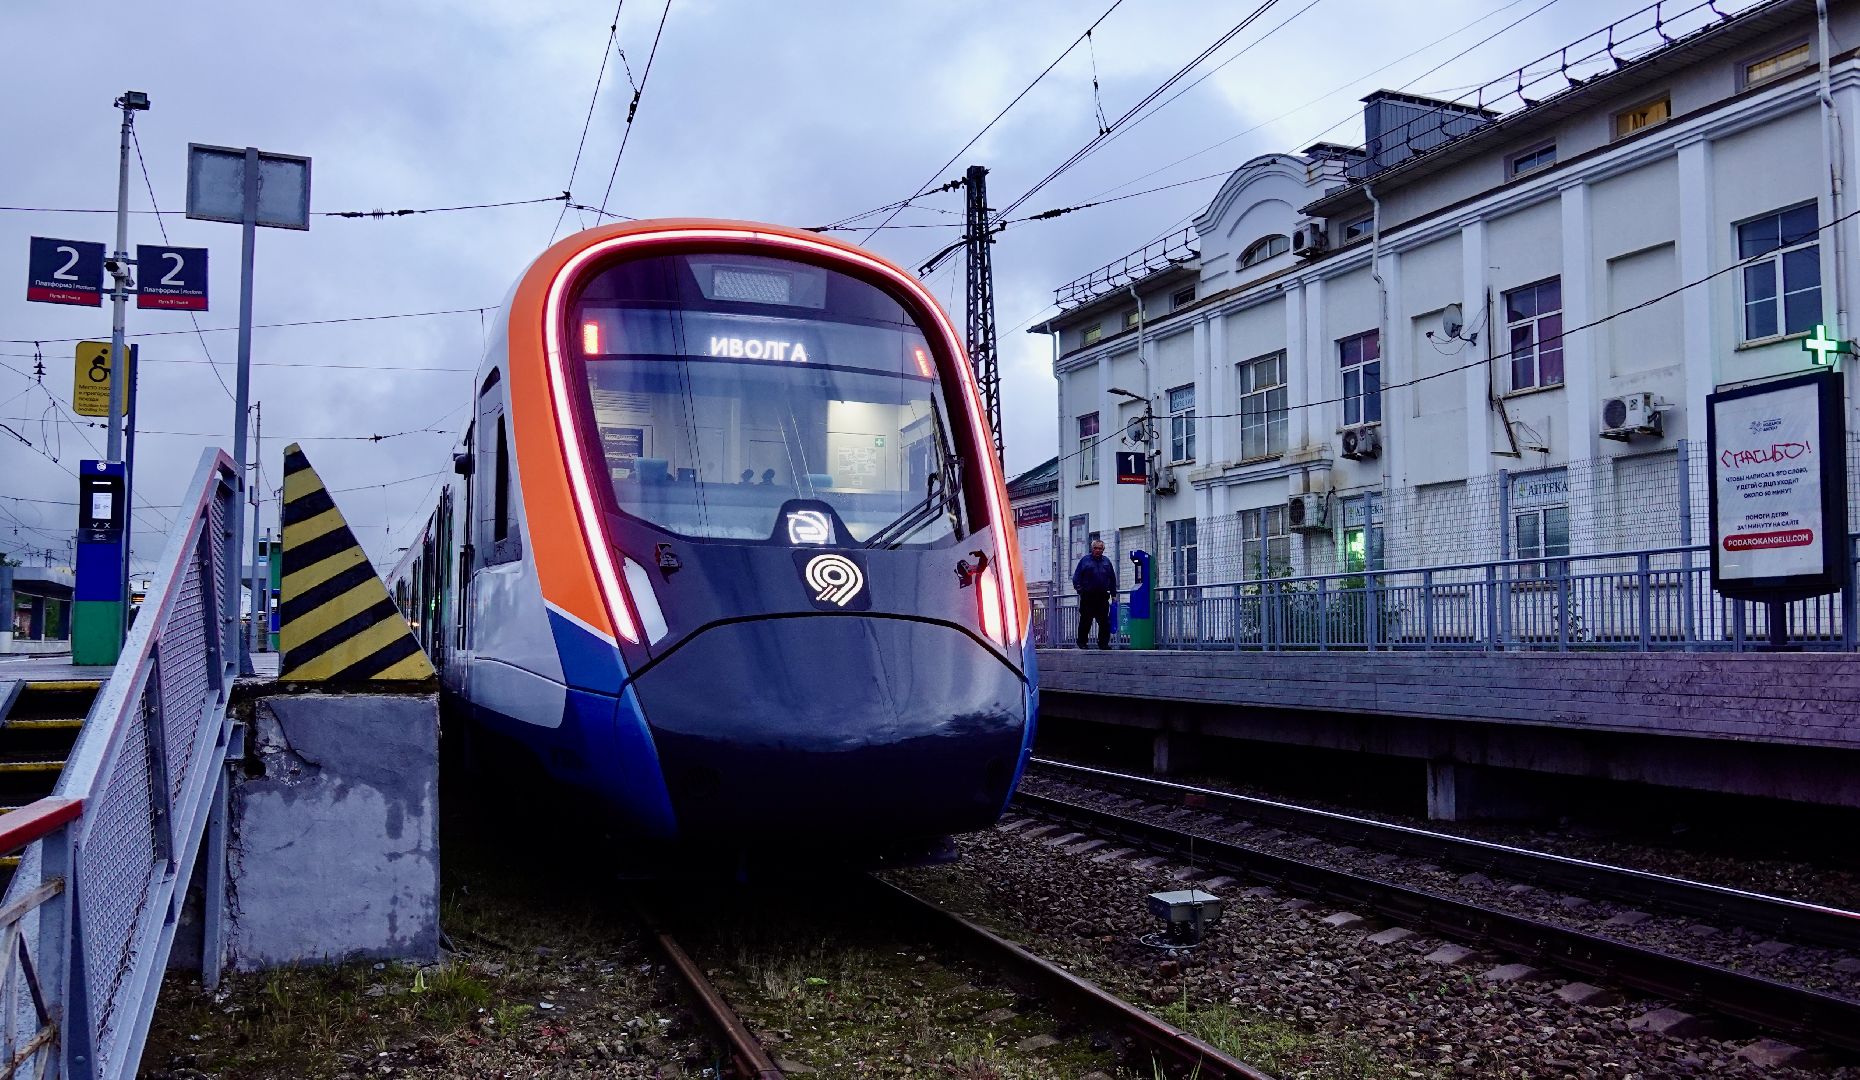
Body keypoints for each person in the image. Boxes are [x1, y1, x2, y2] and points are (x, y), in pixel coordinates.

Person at [1071, 539, 1117, 649]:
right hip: (1088, 596)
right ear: (1092, 549)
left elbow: (1112, 579)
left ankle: (1103, 644)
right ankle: (1082, 643)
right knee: (1086, 620)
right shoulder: (1085, 561)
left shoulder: (1106, 562)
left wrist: (1114, 595)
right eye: (1095, 548)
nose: (1097, 550)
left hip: (1102, 596)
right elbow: (1076, 578)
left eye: (1100, 548)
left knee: (1104, 622)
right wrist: (1080, 591)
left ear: (1103, 550)